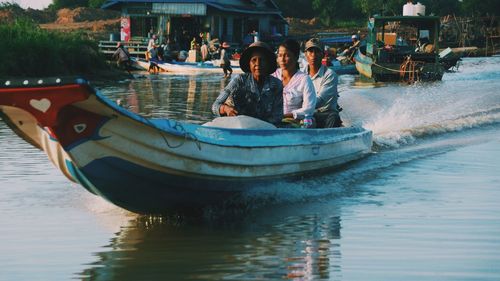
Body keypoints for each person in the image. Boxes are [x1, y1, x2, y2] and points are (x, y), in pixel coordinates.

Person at [211, 41, 283, 126]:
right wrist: (225, 108)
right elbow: (215, 105)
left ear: (268, 63)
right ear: (249, 64)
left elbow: (277, 117)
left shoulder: (276, 84)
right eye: (254, 60)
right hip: (238, 126)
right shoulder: (239, 80)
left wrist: (258, 125)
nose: (258, 64)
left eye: (262, 60)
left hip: (264, 128)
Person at [272, 39, 316, 127]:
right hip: (270, 120)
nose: (282, 59)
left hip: (293, 121)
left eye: (287, 55)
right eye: (280, 55)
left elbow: (308, 109)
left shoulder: (304, 79)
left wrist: (285, 115)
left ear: (296, 57)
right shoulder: (272, 76)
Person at [303, 38, 343, 128]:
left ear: (323, 55)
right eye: (310, 51)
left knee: (333, 117)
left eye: (317, 51)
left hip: (324, 115)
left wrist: (296, 111)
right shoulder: (300, 74)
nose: (313, 55)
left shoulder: (330, 75)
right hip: (305, 114)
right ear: (305, 54)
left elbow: (320, 100)